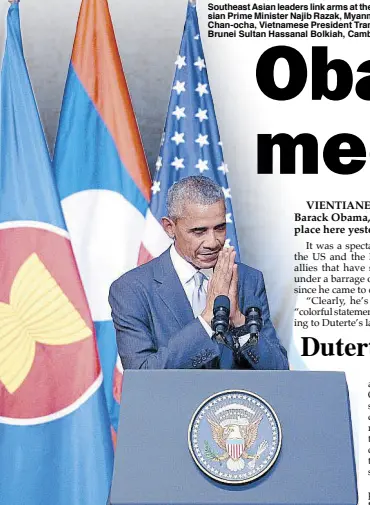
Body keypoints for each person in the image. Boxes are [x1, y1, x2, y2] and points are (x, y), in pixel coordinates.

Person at [109, 176, 289, 370]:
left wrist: (239, 321)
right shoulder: (132, 289)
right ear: (170, 227)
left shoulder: (248, 280)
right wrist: (208, 319)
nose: (213, 242)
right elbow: (141, 376)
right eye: (199, 231)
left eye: (220, 228)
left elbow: (278, 370)